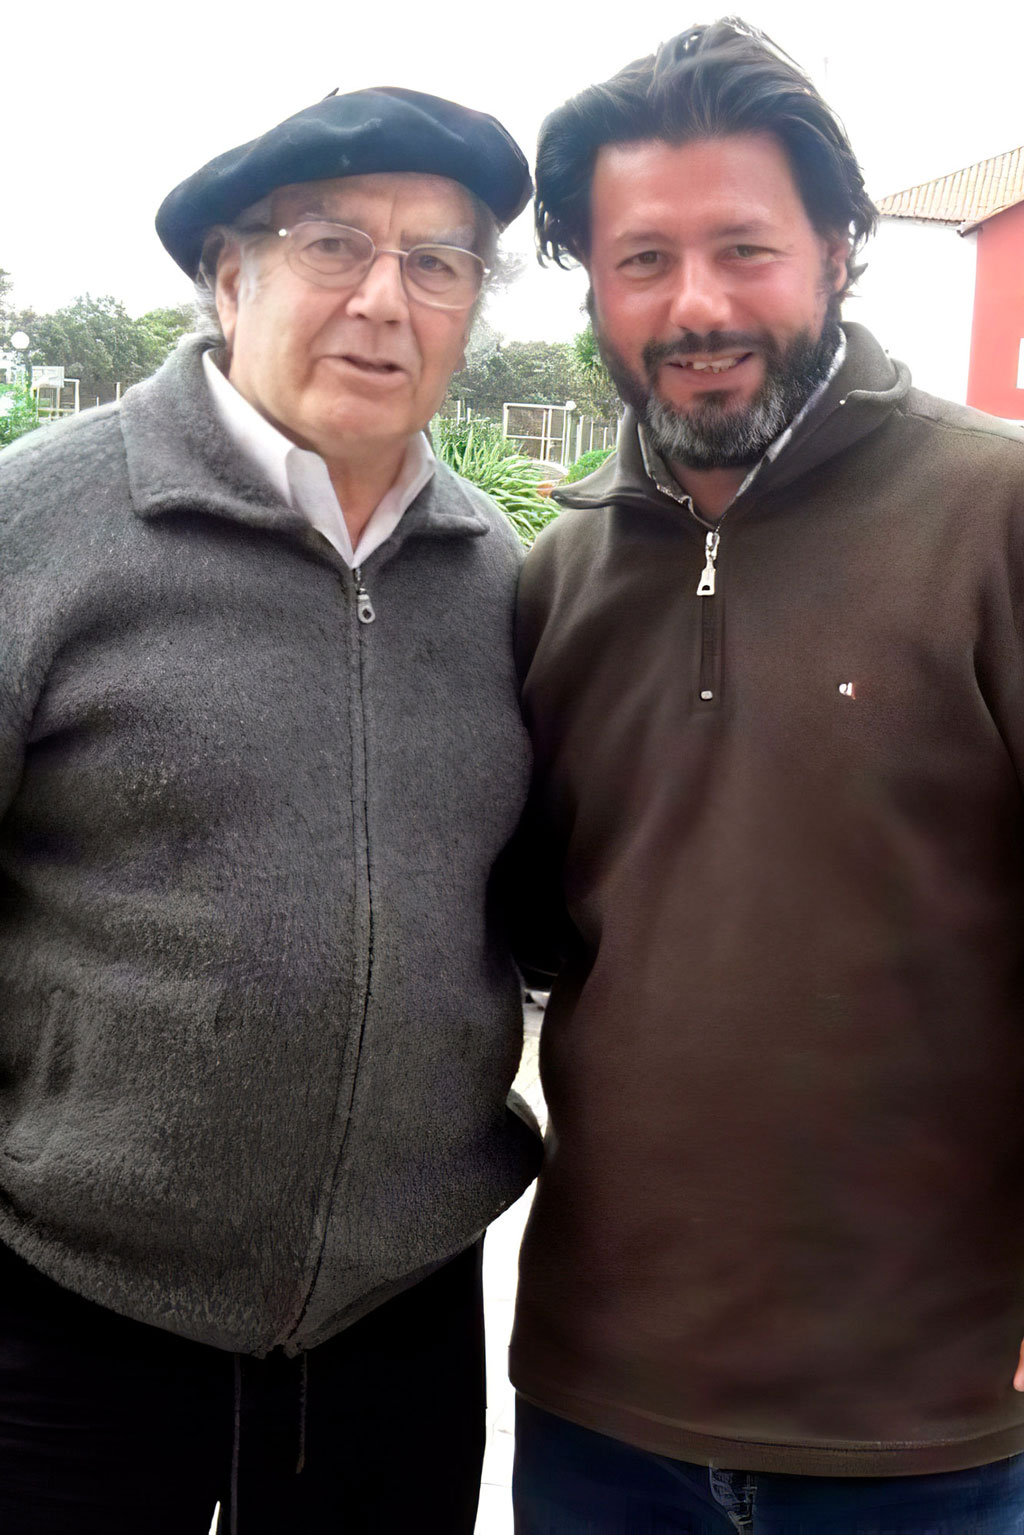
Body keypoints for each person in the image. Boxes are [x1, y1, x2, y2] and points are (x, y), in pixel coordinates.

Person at [0, 86, 540, 1534]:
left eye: (438, 261)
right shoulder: (38, 530)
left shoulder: (497, 577)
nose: (385, 300)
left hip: (399, 1329)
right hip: (69, 1320)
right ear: (228, 273)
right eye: (332, 244)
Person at [509, 20, 1024, 1533]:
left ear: (841, 251)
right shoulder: (553, 578)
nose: (698, 305)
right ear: (591, 284)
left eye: (746, 248)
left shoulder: (996, 520)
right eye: (642, 260)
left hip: (926, 1428)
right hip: (600, 1413)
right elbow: (540, 945)